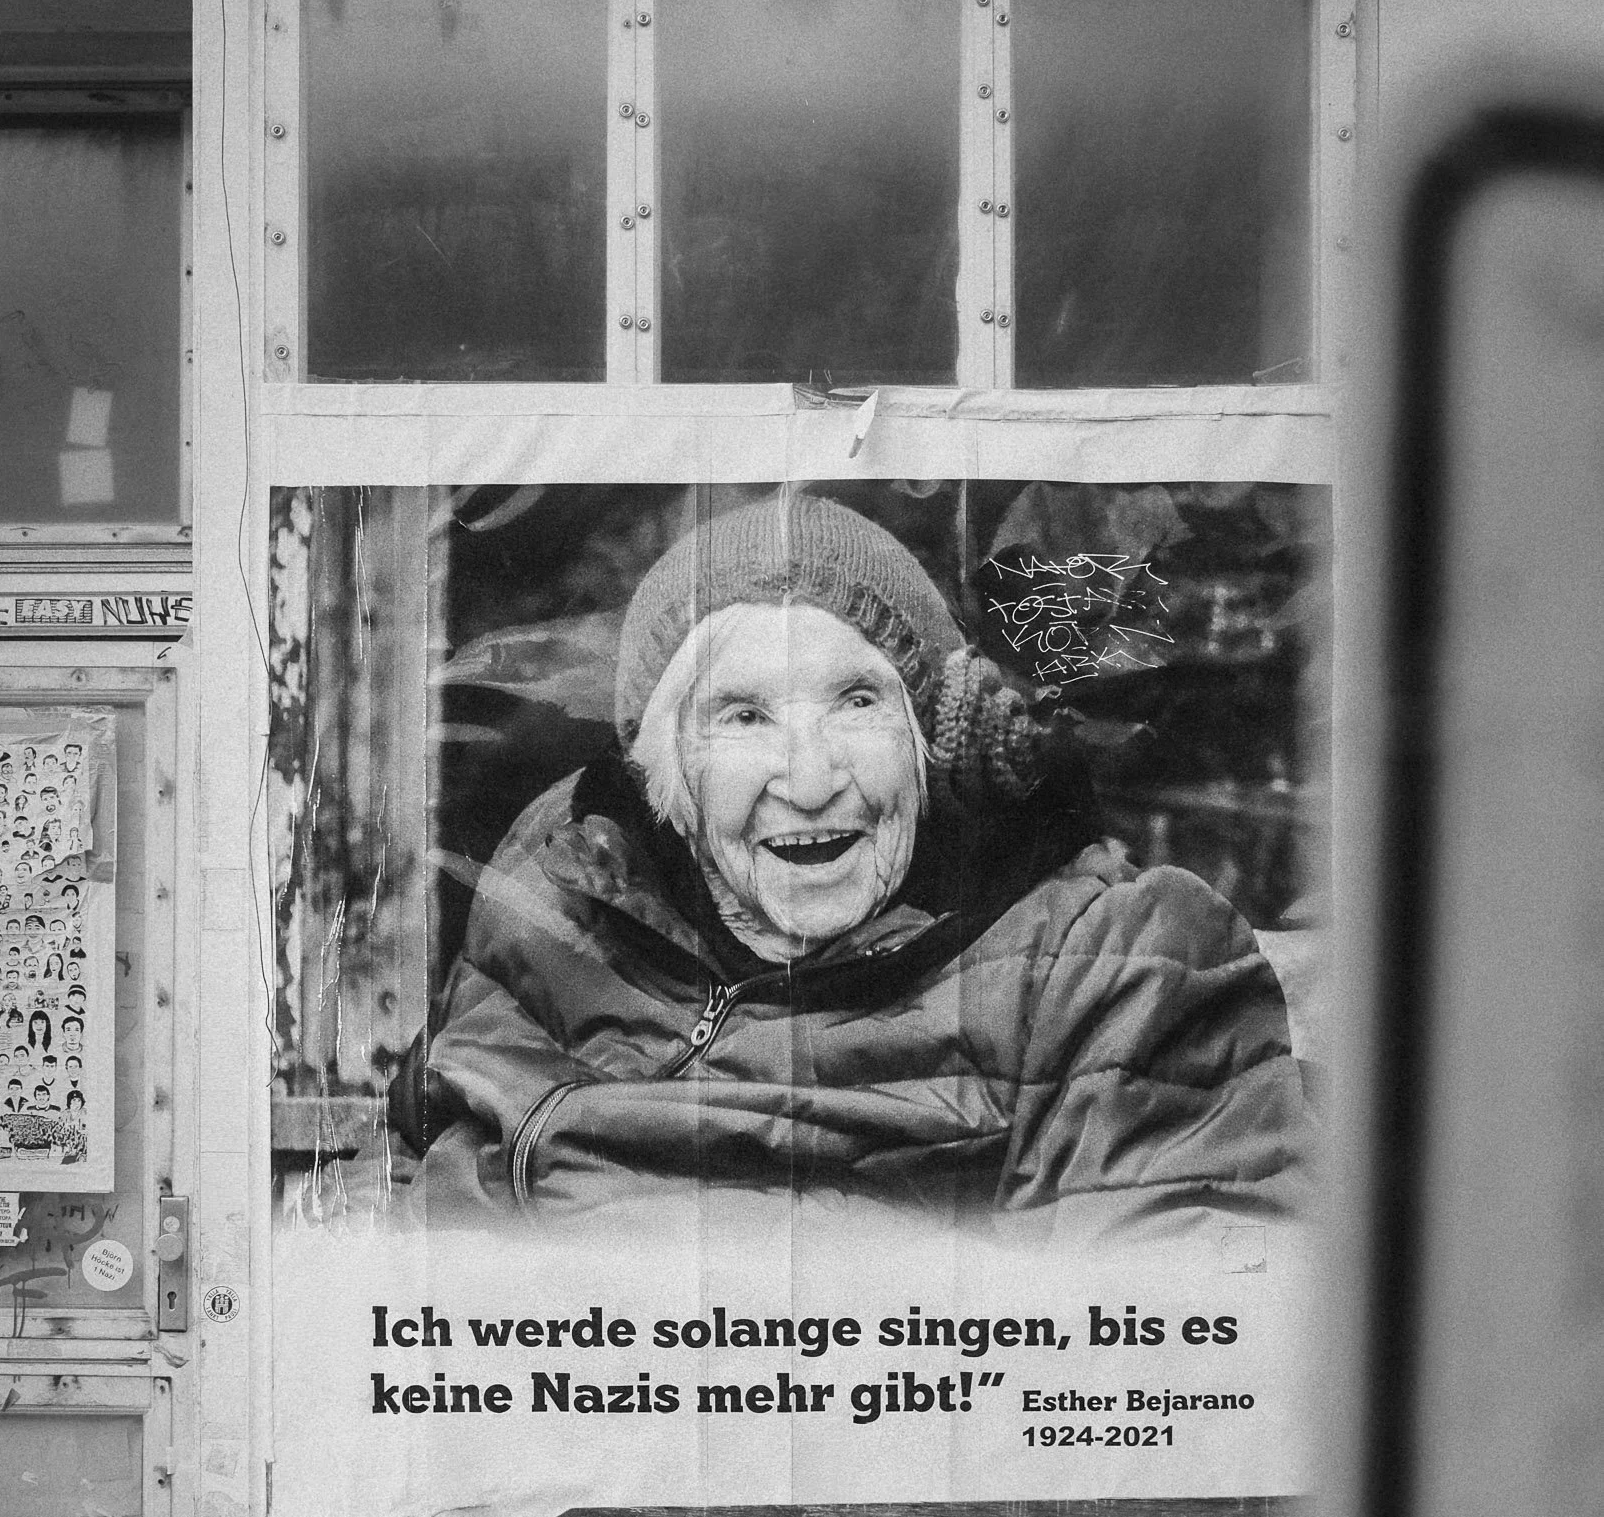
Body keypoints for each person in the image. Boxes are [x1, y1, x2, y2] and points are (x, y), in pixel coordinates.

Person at [394, 493, 1307, 1229]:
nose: (808, 779)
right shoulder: (562, 885)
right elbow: (410, 1171)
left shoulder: (1111, 958)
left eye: (857, 702)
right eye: (742, 716)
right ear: (665, 769)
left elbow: (1168, 1324)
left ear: (933, 740)